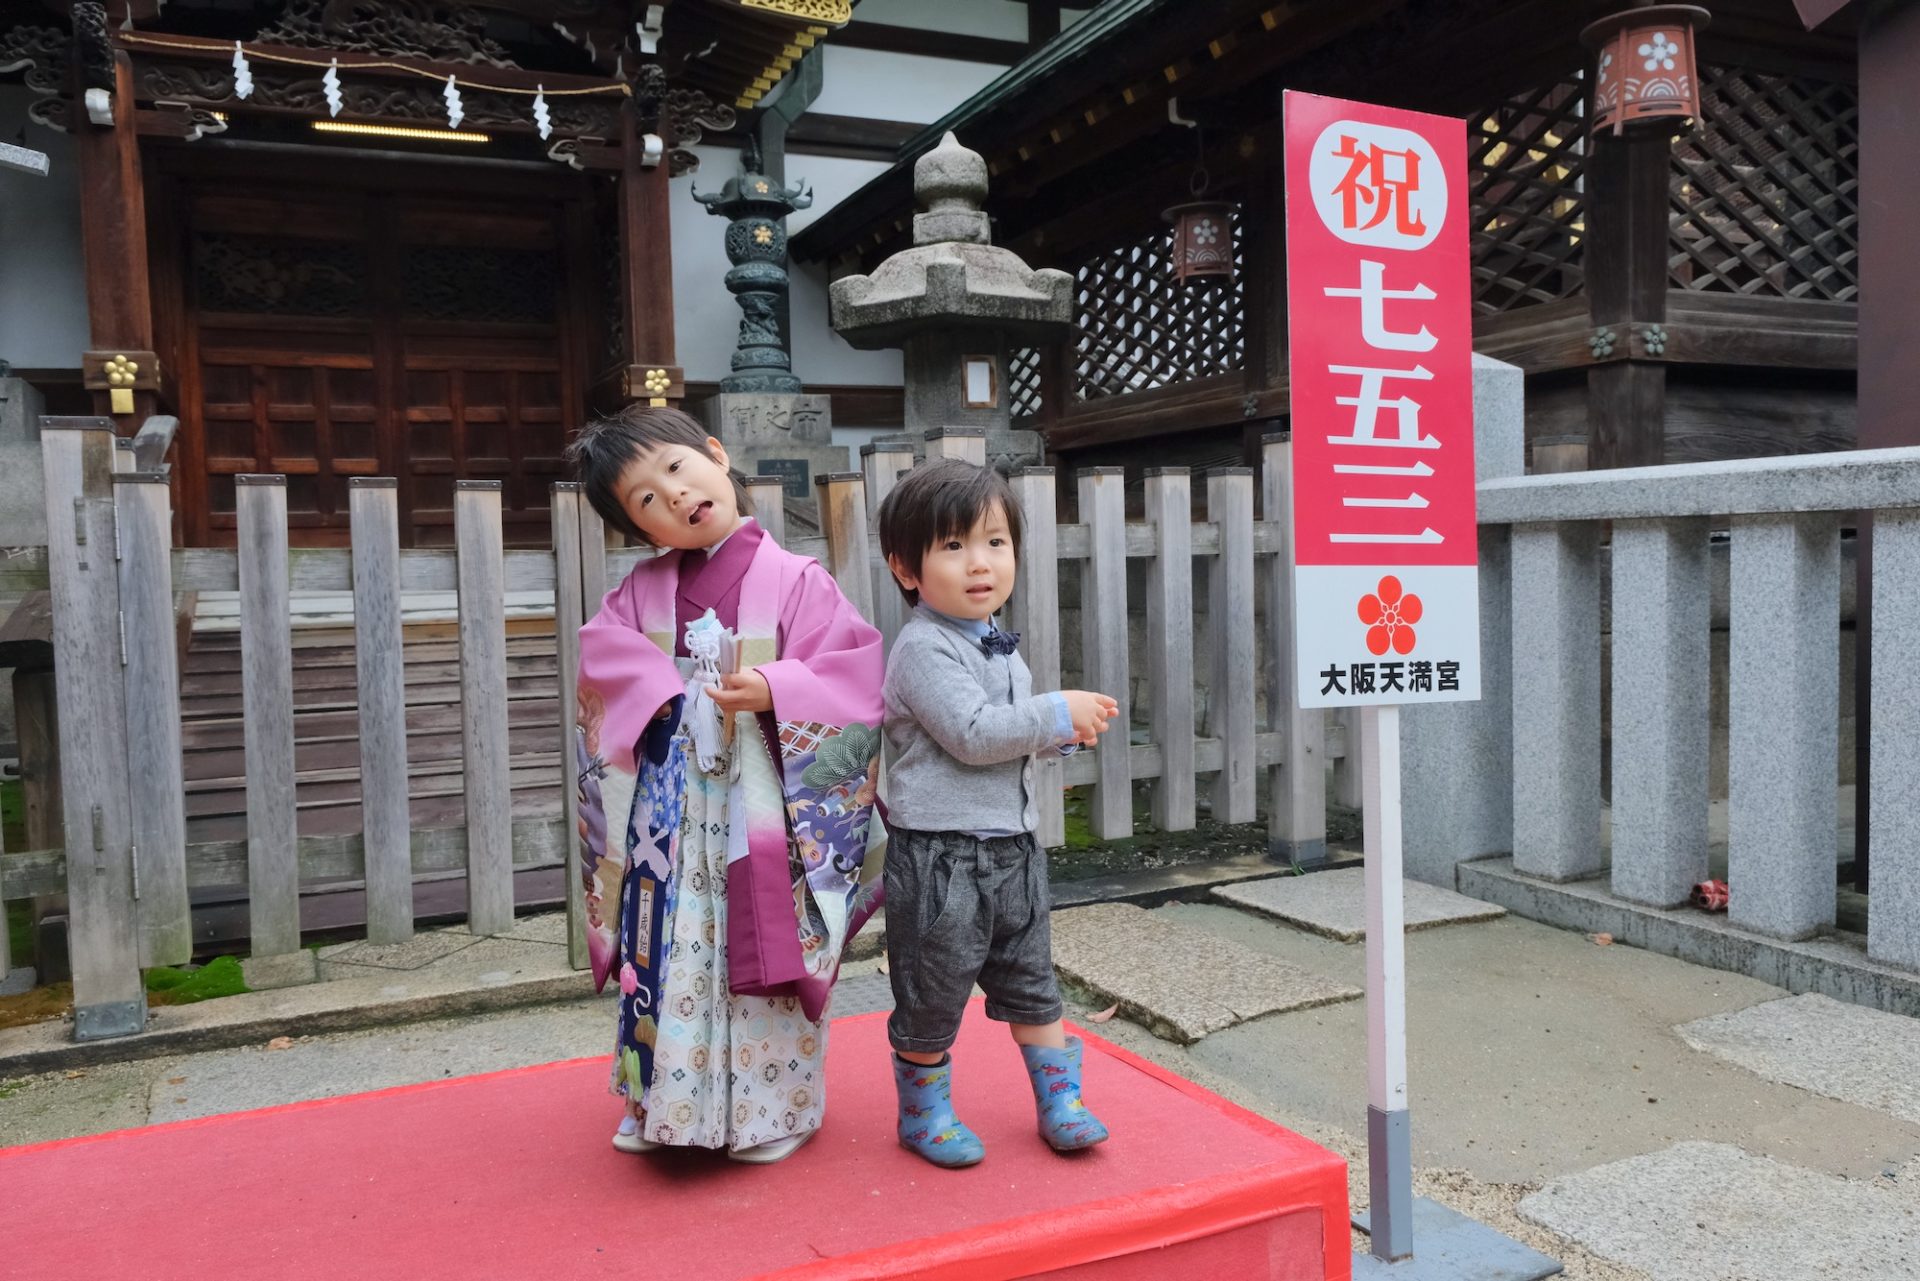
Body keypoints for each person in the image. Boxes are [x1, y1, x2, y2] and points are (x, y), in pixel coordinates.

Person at [568, 405, 885, 1165]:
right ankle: (658, 1101)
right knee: (663, 948)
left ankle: (775, 1110)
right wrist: (663, 685)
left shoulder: (799, 580)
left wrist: (778, 687)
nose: (672, 496)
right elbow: (601, 663)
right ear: (644, 532)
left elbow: (853, 678)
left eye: (676, 469)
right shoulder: (639, 596)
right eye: (646, 498)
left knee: (762, 946)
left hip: (765, 802)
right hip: (670, 812)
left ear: (714, 453)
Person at [875, 458, 1119, 1169]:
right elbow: (975, 734)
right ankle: (923, 1111)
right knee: (932, 989)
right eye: (952, 546)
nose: (979, 563)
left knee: (1032, 979)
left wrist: (1061, 737)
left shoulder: (997, 642)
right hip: (942, 859)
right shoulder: (921, 647)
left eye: (994, 542)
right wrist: (1051, 712)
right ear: (906, 567)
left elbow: (1014, 740)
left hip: (1013, 851)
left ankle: (1061, 1101)